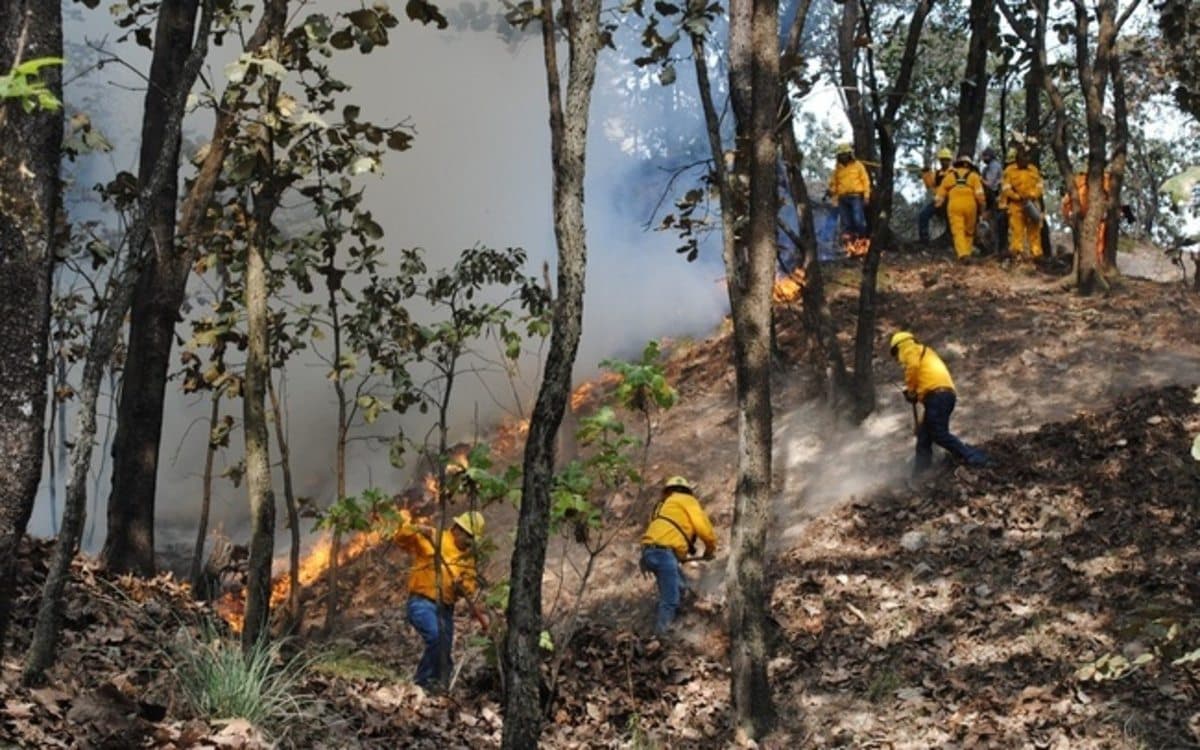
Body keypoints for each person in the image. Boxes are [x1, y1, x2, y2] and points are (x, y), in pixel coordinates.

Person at [395, 509, 490, 691]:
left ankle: (440, 688)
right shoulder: (434, 537)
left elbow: (469, 587)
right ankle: (420, 684)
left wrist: (460, 586)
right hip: (422, 603)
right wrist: (415, 529)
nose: (468, 541)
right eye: (467, 536)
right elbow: (400, 538)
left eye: (472, 538)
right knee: (436, 637)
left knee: (444, 650)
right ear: (457, 529)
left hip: (446, 609)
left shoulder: (468, 558)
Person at [889, 331, 988, 475]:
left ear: (899, 347)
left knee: (939, 434)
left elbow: (913, 367)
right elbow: (929, 396)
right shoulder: (925, 352)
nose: (898, 360)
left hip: (938, 396)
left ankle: (974, 457)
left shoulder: (910, 350)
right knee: (924, 438)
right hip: (941, 397)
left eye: (896, 354)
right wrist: (922, 423)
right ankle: (920, 474)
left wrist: (910, 391)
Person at [640, 476, 716, 635]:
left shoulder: (661, 506)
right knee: (670, 600)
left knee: (681, 588)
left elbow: (660, 532)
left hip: (649, 553)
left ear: (667, 491)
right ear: (687, 491)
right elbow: (703, 529)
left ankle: (680, 625)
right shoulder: (687, 500)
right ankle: (660, 637)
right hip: (664, 554)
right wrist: (710, 549)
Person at [934, 154, 986, 261]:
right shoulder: (974, 176)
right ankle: (967, 252)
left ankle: (962, 254)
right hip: (970, 206)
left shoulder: (949, 176)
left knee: (958, 231)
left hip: (954, 205)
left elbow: (940, 194)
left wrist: (938, 205)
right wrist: (982, 207)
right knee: (969, 231)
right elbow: (980, 194)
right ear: (969, 166)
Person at [1001, 147, 1045, 262]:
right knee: (1017, 231)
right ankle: (1016, 255)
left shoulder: (1034, 170)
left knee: (1034, 230)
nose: (1025, 162)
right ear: (1017, 160)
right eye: (1022, 160)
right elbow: (1005, 188)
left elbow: (1040, 186)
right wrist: (1017, 197)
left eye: (1027, 159)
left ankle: (1037, 255)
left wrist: (1033, 195)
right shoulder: (1009, 171)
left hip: (1032, 204)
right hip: (1016, 206)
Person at [1060, 171, 1113, 266]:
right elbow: (1114, 200)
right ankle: (1095, 265)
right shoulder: (1104, 180)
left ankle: (1088, 265)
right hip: (1094, 218)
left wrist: (1066, 217)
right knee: (1098, 243)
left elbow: (1066, 201)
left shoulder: (1078, 181)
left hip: (1083, 218)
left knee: (1087, 243)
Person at [828, 142, 871, 239]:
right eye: (841, 154)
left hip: (856, 197)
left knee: (858, 220)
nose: (843, 156)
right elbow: (834, 183)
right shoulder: (837, 169)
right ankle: (850, 246)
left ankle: (863, 240)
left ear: (849, 154)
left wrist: (866, 196)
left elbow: (866, 181)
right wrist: (832, 194)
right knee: (846, 223)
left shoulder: (858, 165)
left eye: (845, 154)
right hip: (842, 198)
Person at [918, 147, 953, 244]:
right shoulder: (937, 173)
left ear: (950, 161)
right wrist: (926, 174)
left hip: (950, 202)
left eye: (946, 160)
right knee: (923, 215)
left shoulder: (954, 173)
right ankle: (924, 240)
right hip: (938, 201)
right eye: (942, 160)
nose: (944, 162)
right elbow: (929, 185)